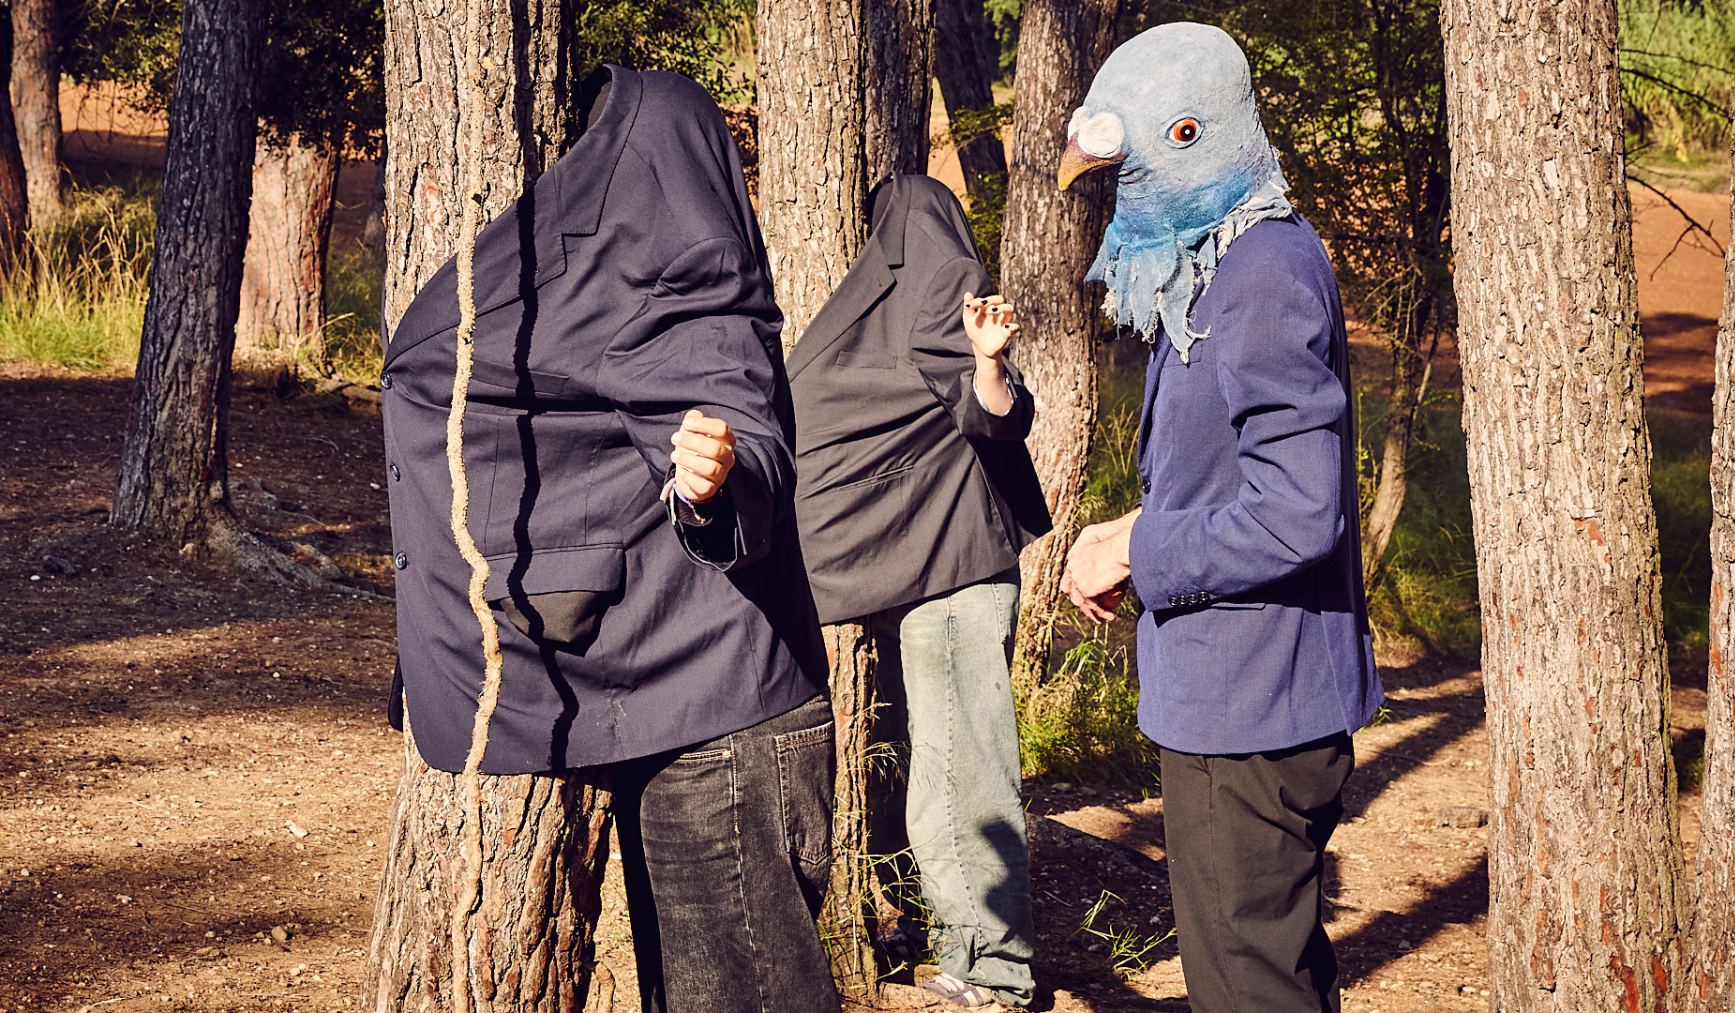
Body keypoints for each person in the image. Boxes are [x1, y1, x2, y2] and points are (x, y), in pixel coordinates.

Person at [379, 66, 838, 1013]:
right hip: (680, 698)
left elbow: (739, 413)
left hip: (726, 720)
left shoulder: (678, 256)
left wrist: (717, 483)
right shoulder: (614, 261)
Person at [1056, 24, 1385, 1013]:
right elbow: (1240, 469)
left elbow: (1297, 512)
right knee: (1273, 974)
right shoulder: (1222, 257)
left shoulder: (1262, 272)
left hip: (1251, 712)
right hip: (1246, 697)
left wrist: (1143, 544)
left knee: (1247, 988)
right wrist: (1132, 525)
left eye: (1170, 141)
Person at [787, 174, 1051, 1010]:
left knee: (964, 777)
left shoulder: (937, 281)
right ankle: (967, 951)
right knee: (944, 776)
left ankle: (996, 973)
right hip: (938, 571)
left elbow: (990, 412)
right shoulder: (917, 292)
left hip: (959, 577)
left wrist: (989, 363)